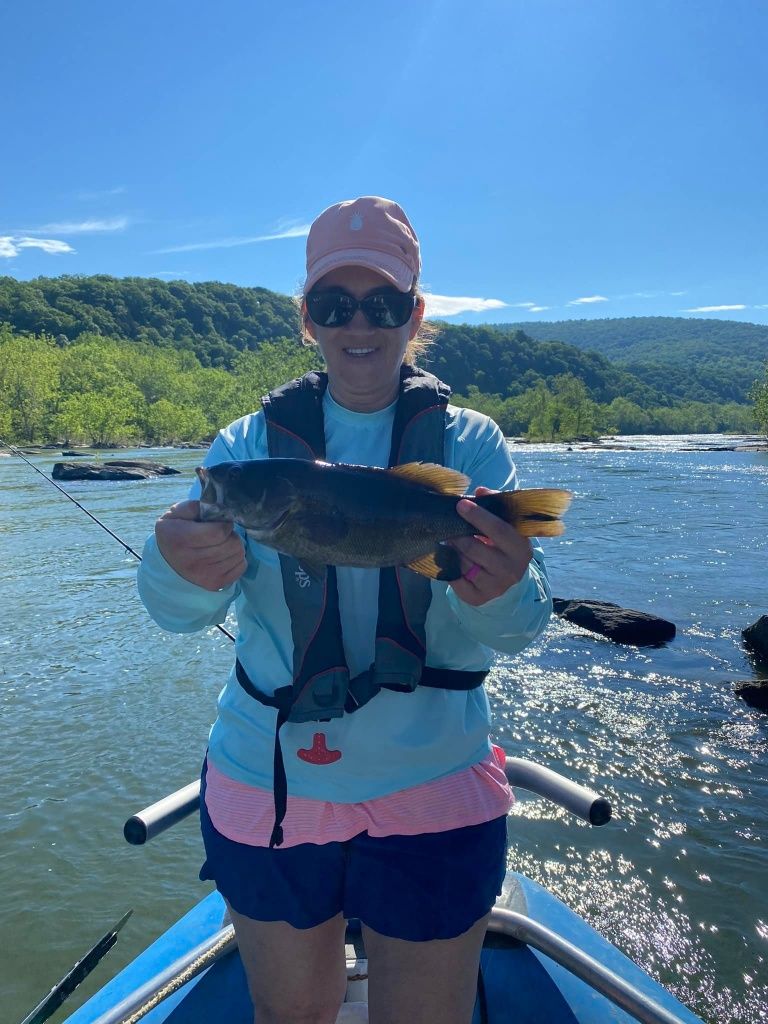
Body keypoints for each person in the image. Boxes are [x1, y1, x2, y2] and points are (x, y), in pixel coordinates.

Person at [137, 196, 553, 1024]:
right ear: (306, 319)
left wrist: (504, 586)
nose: (357, 324)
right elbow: (177, 614)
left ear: (415, 315)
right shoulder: (244, 450)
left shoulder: (469, 445)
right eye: (333, 304)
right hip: (271, 780)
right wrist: (176, 567)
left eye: (383, 303)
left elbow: (520, 629)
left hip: (432, 779)